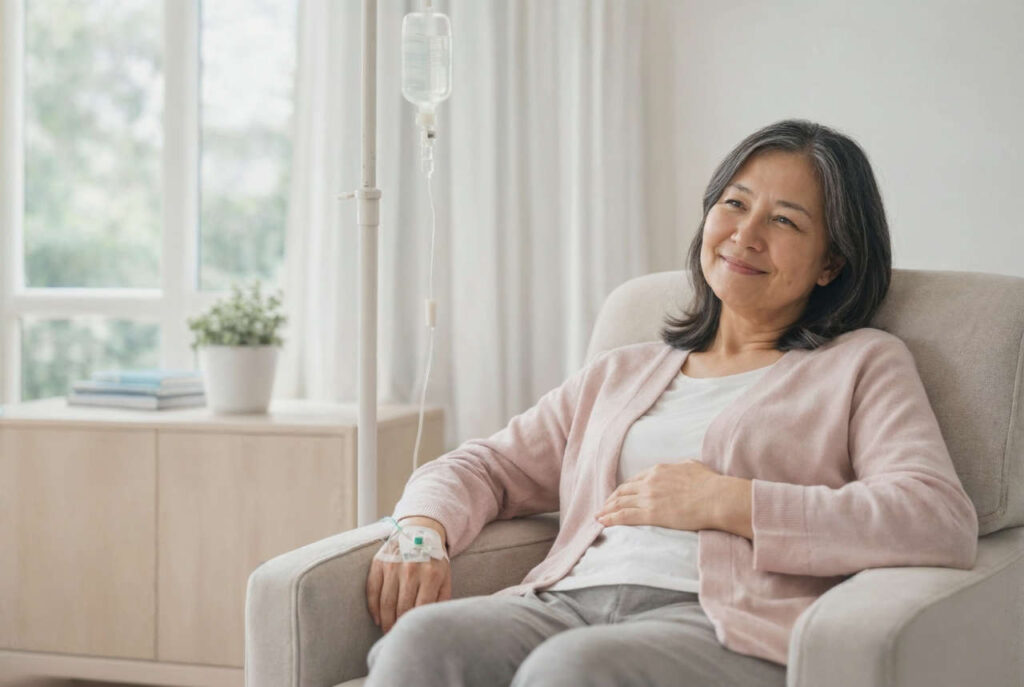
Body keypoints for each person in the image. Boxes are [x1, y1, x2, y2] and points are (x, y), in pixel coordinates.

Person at [363, 119, 979, 686]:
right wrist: (422, 530)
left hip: (721, 625)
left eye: (785, 221)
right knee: (422, 642)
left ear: (831, 263)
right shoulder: (621, 371)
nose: (745, 235)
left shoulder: (862, 363)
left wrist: (726, 501)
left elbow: (936, 518)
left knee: (571, 670)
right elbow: (485, 467)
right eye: (734, 204)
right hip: (566, 604)